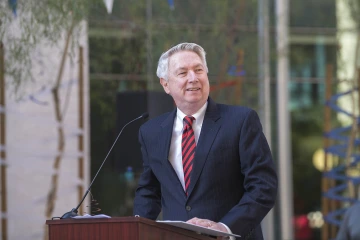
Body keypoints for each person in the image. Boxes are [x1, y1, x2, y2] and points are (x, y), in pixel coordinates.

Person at [133, 42, 278, 239]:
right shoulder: (150, 132)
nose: (193, 78)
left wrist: (225, 227)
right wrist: (135, 228)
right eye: (183, 73)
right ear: (165, 84)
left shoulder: (240, 121)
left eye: (198, 70)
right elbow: (150, 191)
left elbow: (263, 187)